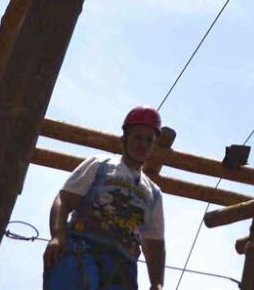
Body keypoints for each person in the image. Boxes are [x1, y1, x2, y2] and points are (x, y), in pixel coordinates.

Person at [43, 106, 166, 290]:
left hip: (121, 268)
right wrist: (58, 234)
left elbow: (154, 243)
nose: (143, 144)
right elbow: (65, 199)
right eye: (138, 137)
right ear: (124, 139)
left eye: (149, 140)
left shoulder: (153, 193)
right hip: (81, 252)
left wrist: (157, 283)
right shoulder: (100, 165)